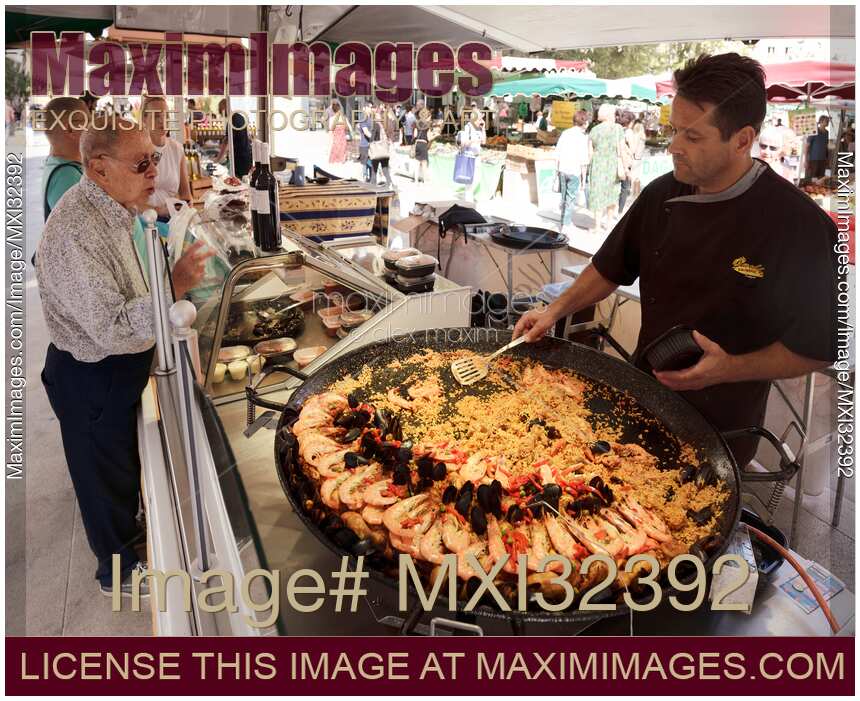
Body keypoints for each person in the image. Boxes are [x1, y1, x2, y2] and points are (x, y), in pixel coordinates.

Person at [514, 52, 838, 469]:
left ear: (742, 140)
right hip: (641, 399)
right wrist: (553, 311)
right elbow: (609, 267)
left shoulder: (799, 225)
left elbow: (819, 348)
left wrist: (727, 368)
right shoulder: (661, 194)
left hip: (722, 430)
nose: (673, 147)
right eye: (674, 130)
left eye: (693, 137)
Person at [35, 118, 213, 597]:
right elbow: (110, 326)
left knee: (120, 470)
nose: (153, 171)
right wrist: (173, 285)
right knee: (102, 481)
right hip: (92, 374)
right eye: (140, 164)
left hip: (119, 367)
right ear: (99, 168)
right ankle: (117, 573)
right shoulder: (76, 230)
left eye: (154, 158)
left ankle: (131, 536)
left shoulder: (115, 206)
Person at [140, 96, 192, 219]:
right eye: (157, 116)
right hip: (145, 220)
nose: (162, 120)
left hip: (173, 219)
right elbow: (129, 202)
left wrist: (187, 212)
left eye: (166, 115)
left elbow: (186, 195)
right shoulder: (135, 150)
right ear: (144, 119)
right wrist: (159, 211)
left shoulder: (177, 149)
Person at [42, 96, 89, 222]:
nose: (92, 127)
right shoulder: (67, 176)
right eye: (88, 121)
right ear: (70, 129)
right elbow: (84, 228)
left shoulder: (59, 164)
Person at [587, 103, 625, 233]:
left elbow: (590, 152)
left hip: (597, 166)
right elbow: (622, 150)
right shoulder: (618, 129)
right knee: (612, 195)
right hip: (613, 166)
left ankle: (597, 226)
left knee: (598, 195)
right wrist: (625, 167)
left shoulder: (594, 130)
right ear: (610, 114)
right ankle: (608, 225)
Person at [555, 110, 590, 232]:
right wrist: (583, 179)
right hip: (574, 171)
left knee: (564, 197)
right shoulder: (583, 138)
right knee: (570, 199)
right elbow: (584, 161)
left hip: (563, 169)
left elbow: (557, 153)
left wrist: (556, 170)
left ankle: (563, 221)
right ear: (584, 123)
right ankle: (566, 224)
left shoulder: (565, 133)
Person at [215, 98, 252, 178]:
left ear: (225, 106)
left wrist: (217, 160)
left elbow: (227, 141)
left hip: (240, 158)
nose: (220, 111)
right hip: (246, 155)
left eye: (220, 108)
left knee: (239, 180)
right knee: (245, 179)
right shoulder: (239, 117)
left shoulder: (232, 120)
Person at [462, 111, 486, 201]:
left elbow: (484, 141)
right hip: (469, 155)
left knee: (477, 178)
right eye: (479, 118)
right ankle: (468, 199)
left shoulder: (479, 128)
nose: (481, 120)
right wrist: (473, 140)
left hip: (477, 156)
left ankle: (469, 196)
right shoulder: (468, 127)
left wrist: (483, 129)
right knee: (469, 179)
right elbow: (464, 143)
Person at [368, 105, 395, 186]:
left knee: (374, 169)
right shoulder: (384, 125)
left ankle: (373, 185)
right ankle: (390, 183)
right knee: (385, 168)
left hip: (377, 150)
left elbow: (372, 138)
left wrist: (369, 143)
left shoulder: (376, 125)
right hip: (384, 150)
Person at [617, 111, 635, 213]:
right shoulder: (629, 132)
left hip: (615, 160)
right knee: (625, 188)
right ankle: (620, 211)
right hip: (626, 162)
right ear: (630, 122)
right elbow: (632, 149)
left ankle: (611, 209)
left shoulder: (616, 130)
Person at [628, 119, 647, 199]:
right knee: (638, 177)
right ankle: (637, 194)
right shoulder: (643, 136)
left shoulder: (636, 135)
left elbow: (634, 148)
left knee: (633, 177)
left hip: (635, 157)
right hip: (640, 158)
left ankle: (633, 194)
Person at [413, 108, 432, 183]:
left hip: (417, 143)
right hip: (424, 144)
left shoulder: (417, 124)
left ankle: (416, 180)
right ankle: (425, 181)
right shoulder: (427, 126)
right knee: (424, 163)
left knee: (417, 163)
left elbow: (415, 135)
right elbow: (429, 138)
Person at [358, 103, 374, 182]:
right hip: (364, 144)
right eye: (369, 107)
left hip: (370, 144)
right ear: (365, 108)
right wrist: (374, 138)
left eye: (371, 107)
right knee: (365, 164)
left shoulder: (369, 117)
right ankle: (365, 179)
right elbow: (366, 131)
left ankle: (371, 179)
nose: (371, 109)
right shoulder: (363, 117)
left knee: (370, 163)